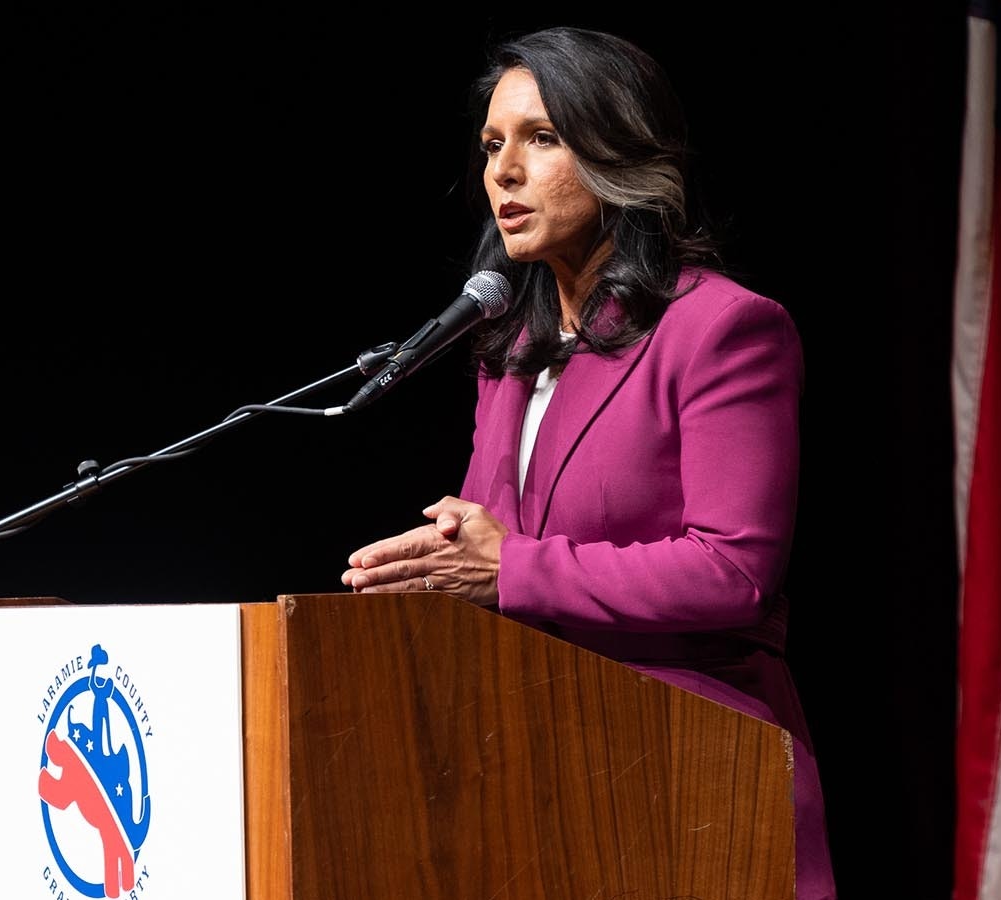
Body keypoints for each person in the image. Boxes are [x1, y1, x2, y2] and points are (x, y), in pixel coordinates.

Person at [339, 25, 836, 899]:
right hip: (532, 767)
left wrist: (509, 569)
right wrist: (438, 566)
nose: (503, 171)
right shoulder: (509, 347)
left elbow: (734, 571)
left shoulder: (721, 330)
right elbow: (495, 546)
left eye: (541, 138)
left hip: (693, 773)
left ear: (617, 152)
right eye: (492, 144)